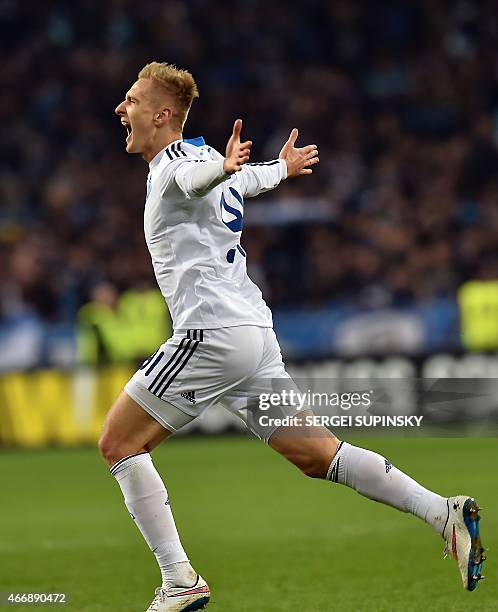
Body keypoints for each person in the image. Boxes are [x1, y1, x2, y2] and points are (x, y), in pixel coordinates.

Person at [100, 62, 485, 612]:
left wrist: (228, 170)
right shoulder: (207, 159)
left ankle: (179, 580)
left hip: (210, 333)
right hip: (253, 334)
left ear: (163, 115)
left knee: (118, 443)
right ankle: (441, 512)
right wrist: (275, 168)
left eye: (133, 99)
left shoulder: (176, 166)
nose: (122, 107)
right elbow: (240, 180)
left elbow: (192, 181)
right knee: (317, 454)